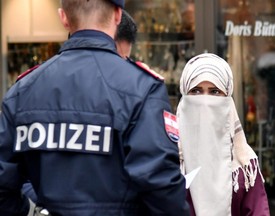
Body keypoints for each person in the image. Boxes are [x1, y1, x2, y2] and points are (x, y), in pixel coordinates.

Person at [0, 0, 190, 215]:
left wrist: (30, 211)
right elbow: (161, 189)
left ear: (63, 17)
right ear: (118, 15)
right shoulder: (142, 88)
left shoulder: (23, 91)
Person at [176, 53, 270, 216]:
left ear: (227, 99)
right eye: (196, 91)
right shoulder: (168, 159)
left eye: (214, 92)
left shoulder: (244, 165)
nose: (205, 100)